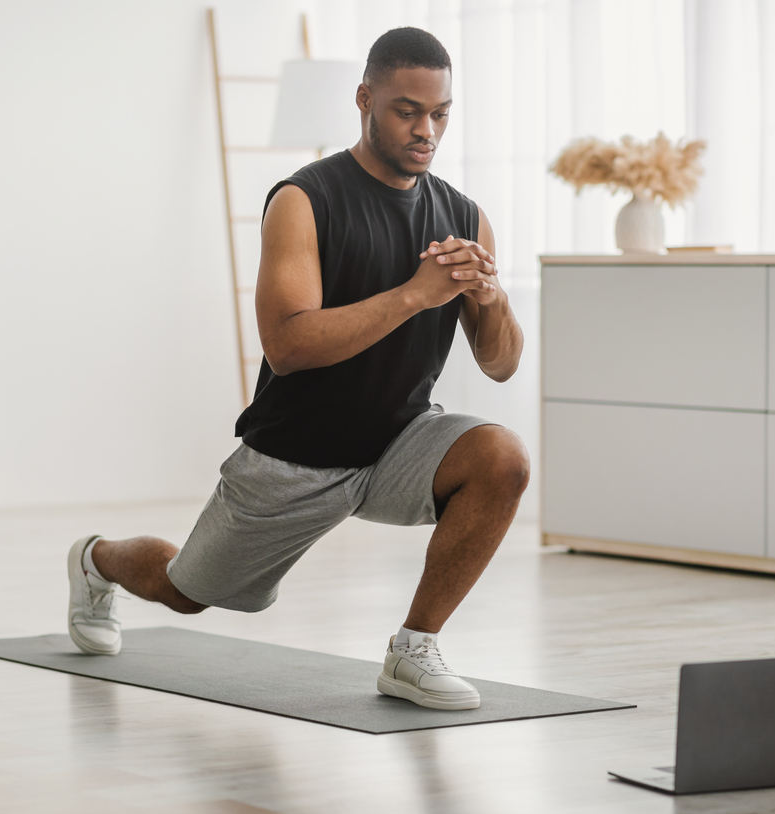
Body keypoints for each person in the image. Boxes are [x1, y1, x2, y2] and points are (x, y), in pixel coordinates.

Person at [66, 27, 526, 711]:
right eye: (406, 111)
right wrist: (414, 295)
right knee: (185, 591)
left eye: (440, 113)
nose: (426, 130)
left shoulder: (464, 215)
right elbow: (287, 344)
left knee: (501, 457)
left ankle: (413, 650)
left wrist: (490, 298)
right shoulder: (304, 200)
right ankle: (95, 559)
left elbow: (501, 365)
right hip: (295, 456)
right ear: (364, 99)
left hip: (398, 442)